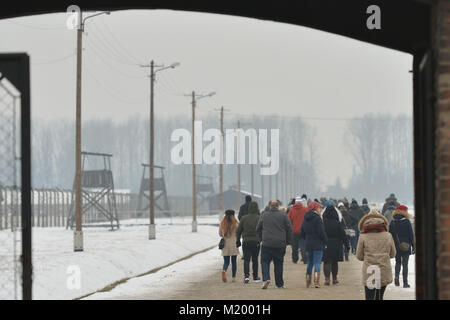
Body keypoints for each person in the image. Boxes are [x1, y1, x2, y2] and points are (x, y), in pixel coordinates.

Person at [356, 208, 396, 300]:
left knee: (369, 297)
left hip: (369, 270)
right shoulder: (388, 235)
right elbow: (393, 254)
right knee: (379, 296)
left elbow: (359, 256)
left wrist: (367, 257)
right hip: (383, 270)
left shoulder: (363, 237)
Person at [256, 200, 293, 289]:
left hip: (267, 243)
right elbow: (289, 228)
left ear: (269, 206)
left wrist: (261, 239)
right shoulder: (284, 215)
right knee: (279, 263)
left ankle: (266, 279)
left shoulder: (264, 215)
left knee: (264, 261)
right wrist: (287, 241)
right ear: (278, 206)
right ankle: (279, 284)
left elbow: (258, 228)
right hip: (280, 244)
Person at [300, 201, 327, 288]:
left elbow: (302, 232)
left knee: (310, 263)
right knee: (317, 262)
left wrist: (307, 238)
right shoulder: (317, 218)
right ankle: (316, 282)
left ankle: (308, 282)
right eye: (319, 207)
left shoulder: (305, 218)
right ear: (315, 208)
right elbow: (321, 232)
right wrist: (325, 240)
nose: (320, 209)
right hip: (318, 243)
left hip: (308, 243)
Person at [322, 205, 349, 285]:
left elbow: (320, 234)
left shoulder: (323, 223)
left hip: (326, 244)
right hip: (336, 244)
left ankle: (327, 279)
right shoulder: (337, 223)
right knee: (334, 262)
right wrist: (347, 244)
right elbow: (343, 235)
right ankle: (334, 279)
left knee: (326, 262)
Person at [389, 205, 415, 288]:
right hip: (406, 245)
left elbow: (390, 235)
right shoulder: (407, 221)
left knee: (398, 262)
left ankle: (396, 277)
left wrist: (391, 245)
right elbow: (411, 235)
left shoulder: (392, 222)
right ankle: (405, 282)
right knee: (405, 264)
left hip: (396, 245)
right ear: (404, 212)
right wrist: (413, 246)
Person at [236, 201, 262, 283]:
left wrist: (238, 239)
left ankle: (246, 276)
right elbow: (262, 229)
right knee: (255, 259)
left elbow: (238, 230)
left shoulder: (244, 218)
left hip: (246, 241)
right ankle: (255, 277)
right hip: (256, 241)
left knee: (246, 259)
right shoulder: (259, 218)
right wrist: (261, 239)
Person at [219, 209, 240, 283]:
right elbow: (238, 234)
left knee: (226, 262)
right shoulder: (236, 224)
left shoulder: (222, 224)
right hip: (233, 244)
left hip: (225, 245)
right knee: (234, 261)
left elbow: (220, 234)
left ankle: (224, 270)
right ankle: (233, 277)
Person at [288, 196, 308, 264]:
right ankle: (305, 259)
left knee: (294, 247)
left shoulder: (291, 210)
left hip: (294, 231)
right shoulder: (305, 209)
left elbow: (289, 220)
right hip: (303, 230)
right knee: (303, 246)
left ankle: (295, 259)